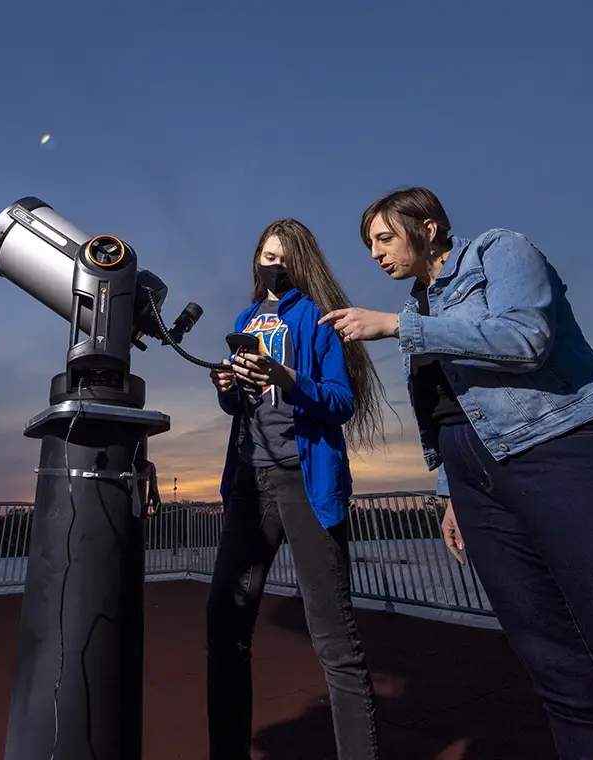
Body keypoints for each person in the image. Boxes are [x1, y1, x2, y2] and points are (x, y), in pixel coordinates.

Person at [319, 187, 593, 760]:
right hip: (477, 483)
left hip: (568, 455)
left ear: (427, 227)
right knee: (563, 678)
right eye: (369, 246)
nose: (377, 254)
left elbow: (526, 337)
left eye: (384, 238)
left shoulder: (498, 251)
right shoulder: (416, 308)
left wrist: (399, 328)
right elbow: (446, 407)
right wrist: (450, 491)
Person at [206, 219, 387, 760]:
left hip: (304, 481)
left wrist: (286, 377)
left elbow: (340, 403)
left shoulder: (320, 317)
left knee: (333, 637)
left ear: (300, 260)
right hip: (248, 480)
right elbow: (244, 408)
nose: (273, 265)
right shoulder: (244, 318)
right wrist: (227, 389)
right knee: (225, 619)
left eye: (283, 257)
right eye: (266, 256)